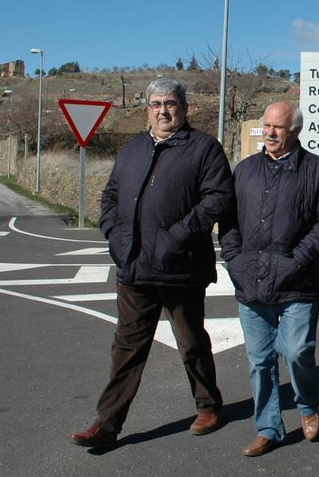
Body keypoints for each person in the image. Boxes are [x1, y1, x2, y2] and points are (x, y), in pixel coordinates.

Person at [68, 77, 233, 448]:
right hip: (134, 267)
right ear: (147, 110)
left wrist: (175, 237)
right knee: (126, 348)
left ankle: (208, 406)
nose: (163, 111)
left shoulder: (204, 148)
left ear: (184, 108)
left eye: (170, 103)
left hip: (180, 267)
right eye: (156, 104)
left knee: (191, 342)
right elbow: (110, 197)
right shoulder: (132, 149)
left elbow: (217, 199)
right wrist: (113, 234)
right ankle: (107, 423)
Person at [219, 102, 319, 457]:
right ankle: (268, 428)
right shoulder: (245, 171)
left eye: (278, 127)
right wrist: (234, 260)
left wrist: (298, 259)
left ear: (296, 131)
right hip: (251, 283)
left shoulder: (317, 170)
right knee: (259, 362)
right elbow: (228, 222)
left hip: (297, 283)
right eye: (267, 126)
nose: (270, 133)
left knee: (297, 351)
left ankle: (307, 406)